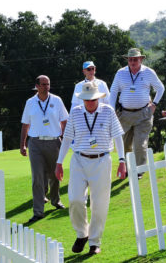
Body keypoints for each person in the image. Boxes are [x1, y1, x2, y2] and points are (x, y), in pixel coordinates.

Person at [55, 81, 126, 255]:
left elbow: (117, 137)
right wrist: (59, 163)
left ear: (98, 98)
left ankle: (95, 241)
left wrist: (122, 160)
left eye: (93, 99)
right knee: (75, 199)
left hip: (102, 161)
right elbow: (66, 139)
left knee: (99, 203)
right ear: (83, 99)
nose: (90, 103)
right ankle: (82, 234)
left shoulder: (108, 111)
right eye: (86, 99)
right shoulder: (76, 113)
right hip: (79, 160)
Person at [20, 75, 68, 223]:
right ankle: (38, 211)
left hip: (54, 142)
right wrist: (23, 144)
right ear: (37, 86)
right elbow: (25, 124)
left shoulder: (56, 100)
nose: (46, 87)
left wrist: (65, 141)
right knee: (37, 178)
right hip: (35, 143)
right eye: (43, 84)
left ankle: (55, 200)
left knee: (55, 175)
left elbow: (64, 121)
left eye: (48, 84)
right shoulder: (30, 102)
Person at [110, 48, 164, 178]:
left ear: (141, 59)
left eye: (135, 59)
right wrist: (111, 111)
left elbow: (160, 88)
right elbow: (113, 91)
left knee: (140, 144)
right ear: (127, 60)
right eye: (130, 59)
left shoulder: (149, 72)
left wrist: (154, 104)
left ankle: (140, 170)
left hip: (143, 114)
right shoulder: (120, 73)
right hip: (125, 114)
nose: (133, 62)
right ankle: (127, 168)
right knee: (124, 144)